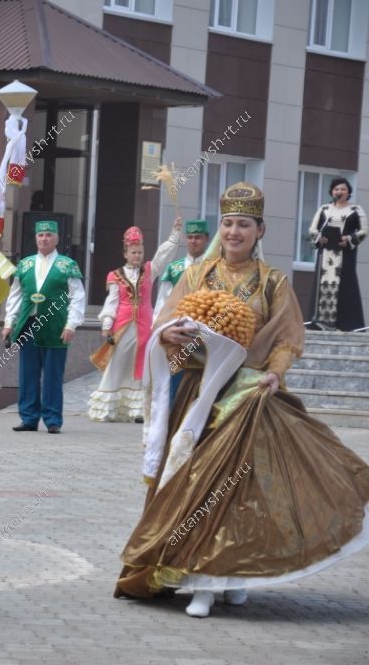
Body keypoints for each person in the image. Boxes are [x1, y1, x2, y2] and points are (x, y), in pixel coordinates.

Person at [115, 182, 369, 618]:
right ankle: (195, 577)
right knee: (192, 486)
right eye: (229, 223)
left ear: (259, 230)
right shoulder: (195, 275)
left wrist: (274, 373)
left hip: (247, 396)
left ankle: (227, 577)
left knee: (237, 492)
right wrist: (170, 334)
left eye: (244, 225)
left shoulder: (273, 282)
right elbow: (165, 323)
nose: (234, 232)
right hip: (197, 396)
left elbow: (289, 338)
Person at [88, 220, 180, 422]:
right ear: (125, 253)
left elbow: (162, 257)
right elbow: (112, 301)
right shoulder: (115, 275)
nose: (137, 255)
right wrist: (106, 325)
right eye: (133, 252)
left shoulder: (149, 270)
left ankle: (137, 410)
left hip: (144, 327)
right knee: (118, 363)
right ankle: (108, 409)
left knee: (141, 364)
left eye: (140, 252)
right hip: (122, 326)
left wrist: (174, 235)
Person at [2, 221, 85, 434]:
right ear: (36, 238)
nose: (44, 239)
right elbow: (15, 296)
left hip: (55, 325)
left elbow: (77, 296)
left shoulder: (67, 265)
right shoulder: (25, 265)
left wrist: (71, 324)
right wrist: (9, 323)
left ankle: (52, 419)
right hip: (29, 324)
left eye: (48, 235)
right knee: (27, 374)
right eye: (40, 235)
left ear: (56, 238)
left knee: (53, 375)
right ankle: (28, 417)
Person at [153, 219, 209, 402]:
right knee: (174, 387)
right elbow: (162, 302)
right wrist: (160, 330)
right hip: (177, 335)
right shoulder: (174, 269)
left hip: (205, 336)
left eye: (198, 237)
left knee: (202, 388)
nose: (193, 241)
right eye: (190, 237)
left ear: (206, 239)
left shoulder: (214, 269)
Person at [308, 177, 366, 331]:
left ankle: (346, 324)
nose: (339, 192)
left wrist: (348, 239)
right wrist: (321, 238)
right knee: (323, 284)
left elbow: (365, 230)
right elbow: (313, 230)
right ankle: (321, 322)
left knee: (345, 285)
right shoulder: (325, 209)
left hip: (345, 254)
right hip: (326, 253)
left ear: (348, 192)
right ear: (332, 192)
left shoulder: (356, 210)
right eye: (336, 189)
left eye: (342, 189)